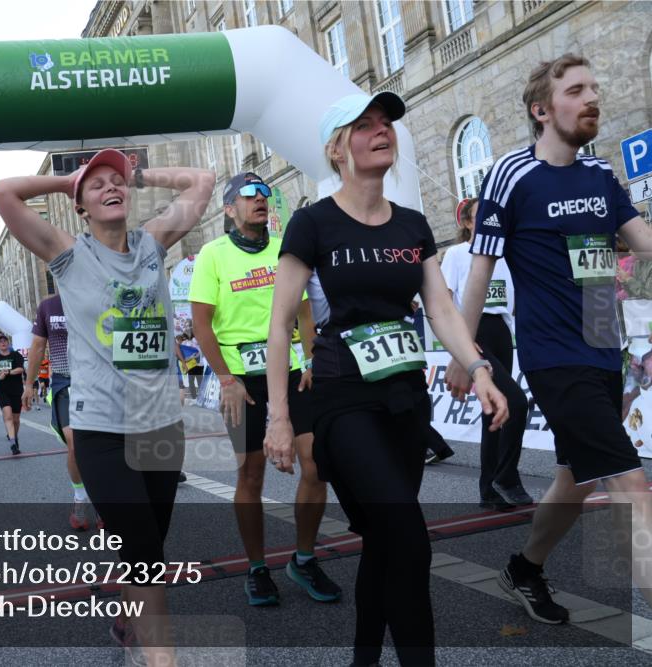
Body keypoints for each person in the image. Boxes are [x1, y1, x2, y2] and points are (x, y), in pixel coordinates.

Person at [265, 92, 509, 666]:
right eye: (365, 126)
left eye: (386, 125)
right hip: (342, 402)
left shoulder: (412, 225)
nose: (382, 132)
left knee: (383, 537)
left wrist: (477, 368)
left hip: (405, 401)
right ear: (337, 148)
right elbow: (279, 326)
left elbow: (443, 310)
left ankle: (364, 658)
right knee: (407, 535)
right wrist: (279, 416)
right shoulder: (312, 222)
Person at [444, 53, 652, 625]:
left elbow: (642, 240)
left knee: (574, 479)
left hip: (603, 343)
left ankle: (525, 567)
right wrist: (468, 353)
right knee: (633, 485)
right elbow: (480, 270)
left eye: (595, 87)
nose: (593, 98)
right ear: (542, 109)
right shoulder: (512, 175)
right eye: (577, 89)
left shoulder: (602, 173)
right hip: (555, 356)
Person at [0, 148, 214, 667]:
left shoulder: (152, 245)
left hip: (160, 425)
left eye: (118, 182)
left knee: (149, 545)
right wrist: (68, 179)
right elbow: (2, 192)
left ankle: (127, 614)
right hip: (100, 430)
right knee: (144, 553)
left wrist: (141, 173)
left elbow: (202, 181)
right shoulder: (68, 254)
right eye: (99, 185)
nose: (111, 187)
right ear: (81, 207)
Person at [189, 171, 341, 607]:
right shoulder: (212, 255)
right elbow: (202, 325)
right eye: (249, 194)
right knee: (250, 474)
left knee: (315, 466)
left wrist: (312, 359)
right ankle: (257, 568)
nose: (261, 199)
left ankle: (305, 557)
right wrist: (225, 379)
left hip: (295, 371)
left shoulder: (286, 248)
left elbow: (307, 313)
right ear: (229, 208)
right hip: (242, 381)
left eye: (266, 194)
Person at [440, 197, 531, 509]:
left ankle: (487, 490)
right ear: (467, 223)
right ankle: (506, 476)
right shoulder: (456, 254)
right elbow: (444, 300)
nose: (493, 221)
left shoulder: (506, 254)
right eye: (482, 216)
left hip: (502, 333)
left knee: (492, 411)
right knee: (517, 403)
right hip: (474, 334)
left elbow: (514, 300)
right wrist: (460, 342)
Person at [24, 294, 99, 529]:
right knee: (75, 443)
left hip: (97, 381)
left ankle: (103, 499)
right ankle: (80, 499)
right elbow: (37, 346)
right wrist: (29, 384)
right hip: (65, 383)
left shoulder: (97, 296)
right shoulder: (48, 305)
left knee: (102, 444)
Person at [0, 333, 26, 456]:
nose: (3, 343)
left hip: (16, 389)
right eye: (0, 342)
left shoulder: (16, 355)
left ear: (8, 343)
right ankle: (13, 443)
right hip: (1, 390)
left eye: (5, 341)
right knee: (8, 415)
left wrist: (8, 372)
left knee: (16, 419)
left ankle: (15, 437)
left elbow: (20, 369)